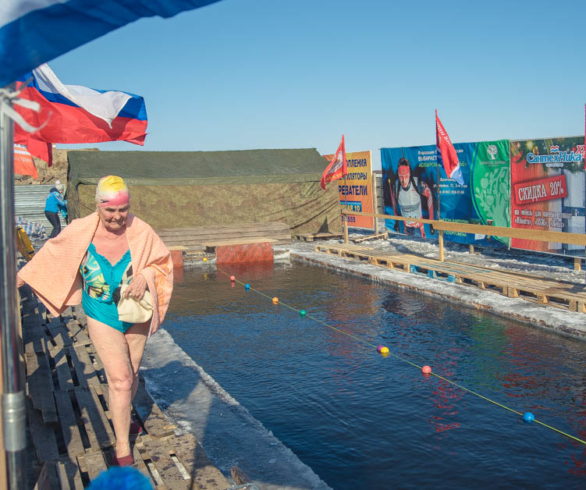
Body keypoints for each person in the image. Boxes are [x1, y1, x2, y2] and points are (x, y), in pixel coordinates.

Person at [18, 176, 174, 466]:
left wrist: (145, 275)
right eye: (110, 210)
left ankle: (124, 415)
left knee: (133, 370)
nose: (117, 217)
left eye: (123, 209)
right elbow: (52, 254)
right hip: (100, 310)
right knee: (120, 378)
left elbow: (162, 263)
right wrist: (18, 278)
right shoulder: (80, 230)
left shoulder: (141, 230)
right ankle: (122, 445)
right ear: (97, 206)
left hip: (135, 311)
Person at [388, 158, 435, 238]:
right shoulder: (396, 186)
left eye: (406, 176)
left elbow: (429, 195)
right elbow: (394, 203)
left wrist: (431, 222)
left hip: (418, 227)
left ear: (409, 174)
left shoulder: (417, 183)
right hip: (406, 228)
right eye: (401, 177)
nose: (403, 180)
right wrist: (396, 222)